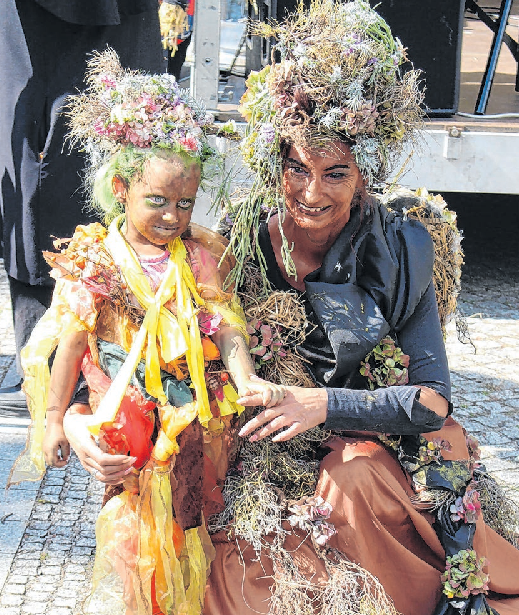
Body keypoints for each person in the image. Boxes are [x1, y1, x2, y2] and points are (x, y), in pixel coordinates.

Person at [201, 1, 519, 614]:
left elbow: (432, 401)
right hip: (269, 456)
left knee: (356, 476)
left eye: (334, 173)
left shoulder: (398, 251)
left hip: (373, 444)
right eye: (297, 168)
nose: (311, 192)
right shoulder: (238, 243)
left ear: (363, 177)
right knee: (233, 560)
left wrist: (322, 404)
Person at [9, 50, 285, 615]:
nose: (172, 216)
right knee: (132, 537)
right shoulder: (97, 261)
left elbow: (226, 325)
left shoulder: (199, 258)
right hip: (129, 423)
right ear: (120, 187)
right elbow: (72, 343)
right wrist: (56, 418)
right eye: (156, 201)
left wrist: (247, 378)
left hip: (196, 418)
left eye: (185, 203)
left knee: (194, 523)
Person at [0, 0, 164, 412]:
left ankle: (122, 364)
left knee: (131, 159)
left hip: (120, 27)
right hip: (34, 31)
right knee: (39, 172)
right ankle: (48, 368)